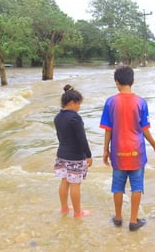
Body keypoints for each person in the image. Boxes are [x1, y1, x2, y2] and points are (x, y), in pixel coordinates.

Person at [100, 65, 155, 231]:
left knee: (117, 187)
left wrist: (106, 150)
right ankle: (134, 220)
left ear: (117, 82)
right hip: (136, 151)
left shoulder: (110, 102)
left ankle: (118, 217)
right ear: (133, 81)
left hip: (118, 151)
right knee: (137, 186)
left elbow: (108, 129)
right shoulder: (141, 102)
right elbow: (145, 129)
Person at [54, 84, 93, 218]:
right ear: (71, 103)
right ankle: (78, 213)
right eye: (78, 104)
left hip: (61, 155)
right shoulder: (75, 118)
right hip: (75, 157)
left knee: (64, 181)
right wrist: (88, 155)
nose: (79, 107)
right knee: (75, 185)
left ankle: (64, 208)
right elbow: (82, 139)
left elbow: (60, 137)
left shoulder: (58, 117)